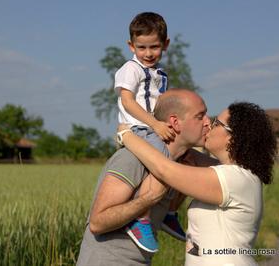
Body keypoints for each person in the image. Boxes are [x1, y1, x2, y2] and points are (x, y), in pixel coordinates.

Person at [119, 102, 277, 266]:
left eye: (216, 123)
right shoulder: (240, 175)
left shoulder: (233, 178)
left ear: (232, 136)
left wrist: (126, 134)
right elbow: (186, 154)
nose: (209, 124)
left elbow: (165, 170)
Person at [76, 89, 216, 266]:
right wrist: (149, 198)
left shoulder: (177, 163)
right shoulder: (132, 158)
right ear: (175, 122)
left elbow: (224, 168)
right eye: (200, 116)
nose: (207, 122)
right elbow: (97, 223)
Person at [114, 12, 184, 252]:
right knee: (161, 161)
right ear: (131, 46)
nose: (148, 53)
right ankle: (140, 217)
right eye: (141, 47)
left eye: (154, 46)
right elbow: (127, 101)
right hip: (138, 128)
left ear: (165, 44)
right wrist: (155, 124)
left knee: (185, 154)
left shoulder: (159, 73)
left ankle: (168, 210)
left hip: (154, 126)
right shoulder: (131, 69)